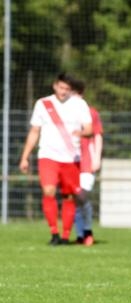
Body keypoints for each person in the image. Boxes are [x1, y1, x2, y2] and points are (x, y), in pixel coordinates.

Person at [19, 72, 93, 245]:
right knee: (49, 191)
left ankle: (66, 235)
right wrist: (25, 157)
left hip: (71, 158)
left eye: (67, 89)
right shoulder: (43, 104)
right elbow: (34, 131)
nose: (63, 92)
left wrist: (81, 133)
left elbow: (89, 130)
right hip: (48, 156)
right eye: (61, 88)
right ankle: (54, 233)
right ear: (55, 86)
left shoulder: (79, 104)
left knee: (69, 197)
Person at [71, 79, 104, 247]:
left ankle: (88, 230)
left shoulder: (91, 112)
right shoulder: (63, 113)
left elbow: (97, 135)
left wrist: (97, 157)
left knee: (82, 196)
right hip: (69, 161)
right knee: (74, 199)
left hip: (86, 161)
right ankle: (79, 234)